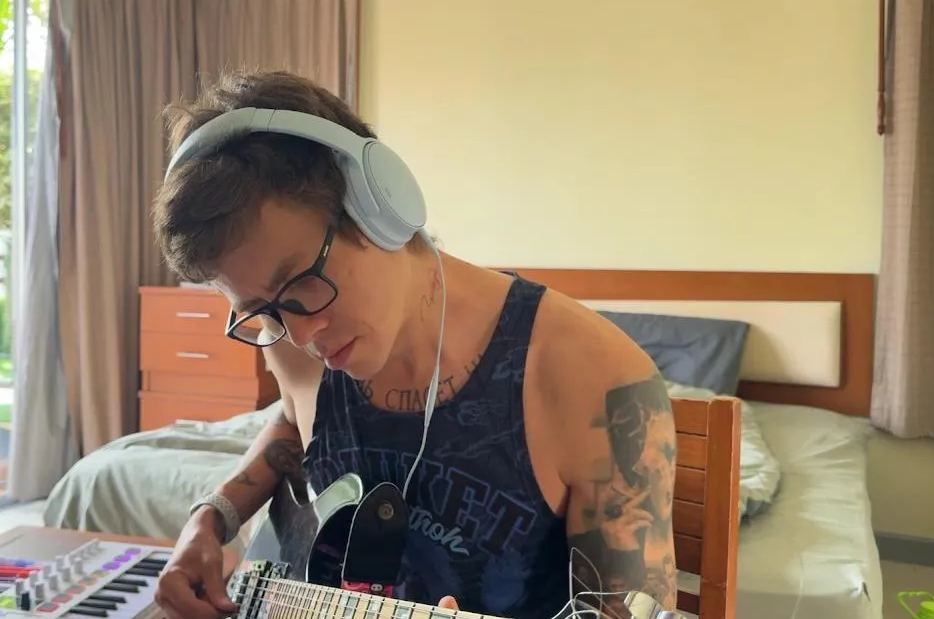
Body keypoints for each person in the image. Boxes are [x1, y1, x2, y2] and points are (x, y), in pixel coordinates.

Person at [150, 69, 678, 619]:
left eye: (303, 283)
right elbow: (293, 420)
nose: (300, 335)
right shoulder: (287, 338)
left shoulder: (594, 378)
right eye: (263, 309)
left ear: (378, 206)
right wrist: (212, 517)